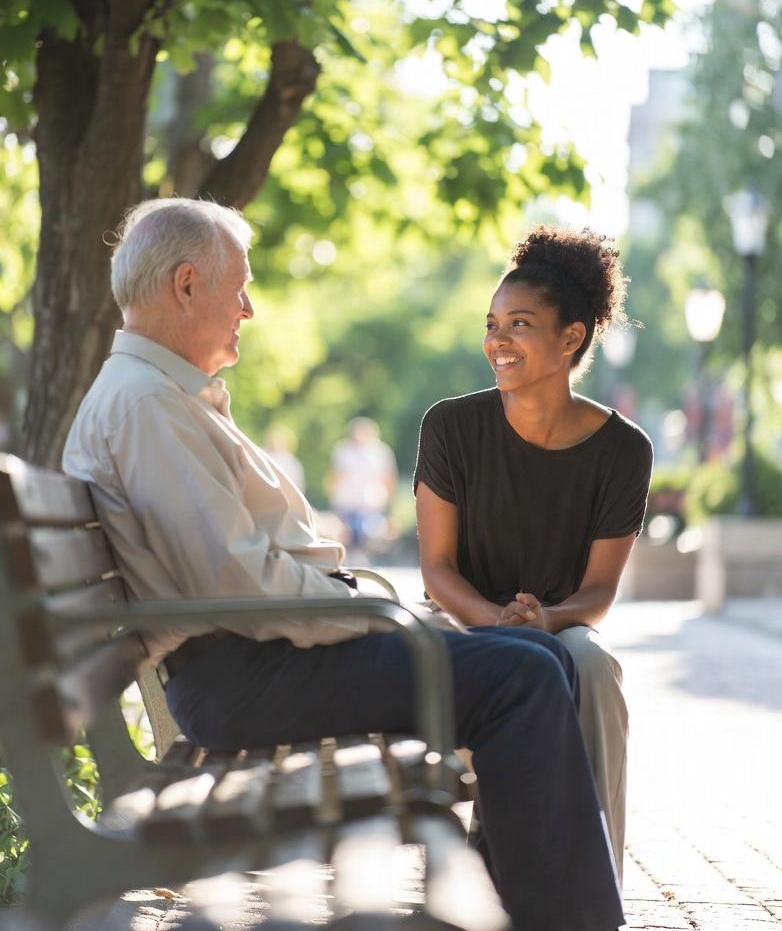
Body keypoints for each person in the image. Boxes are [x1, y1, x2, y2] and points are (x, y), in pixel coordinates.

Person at [63, 199, 624, 931]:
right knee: (522, 672)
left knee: (534, 654)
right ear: (187, 284)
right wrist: (371, 618)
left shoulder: (160, 397)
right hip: (246, 675)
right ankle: (568, 921)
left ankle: (527, 908)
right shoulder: (146, 406)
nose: (250, 308)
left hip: (258, 658)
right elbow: (239, 583)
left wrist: (376, 613)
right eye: (240, 287)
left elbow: (238, 574)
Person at [414, 225, 654, 880]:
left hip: (559, 629)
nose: (498, 340)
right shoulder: (451, 426)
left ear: (570, 336)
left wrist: (547, 620)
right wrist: (497, 624)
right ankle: (483, 873)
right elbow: (437, 568)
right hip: (463, 624)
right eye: (493, 323)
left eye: (520, 323)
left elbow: (599, 589)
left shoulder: (624, 450)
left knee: (594, 667)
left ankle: (596, 885)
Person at [326, 417, 397, 556]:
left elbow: (388, 478)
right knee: (346, 533)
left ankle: (363, 556)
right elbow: (334, 475)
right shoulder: (343, 450)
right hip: (347, 500)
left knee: (368, 533)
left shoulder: (380, 451)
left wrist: (387, 499)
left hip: (370, 503)